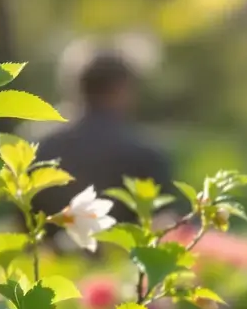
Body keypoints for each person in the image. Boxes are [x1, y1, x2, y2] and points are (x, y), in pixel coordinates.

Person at [31, 50, 176, 248]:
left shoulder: (39, 146)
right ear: (122, 88)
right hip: (122, 270)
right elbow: (166, 224)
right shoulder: (143, 152)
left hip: (50, 267)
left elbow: (22, 224)